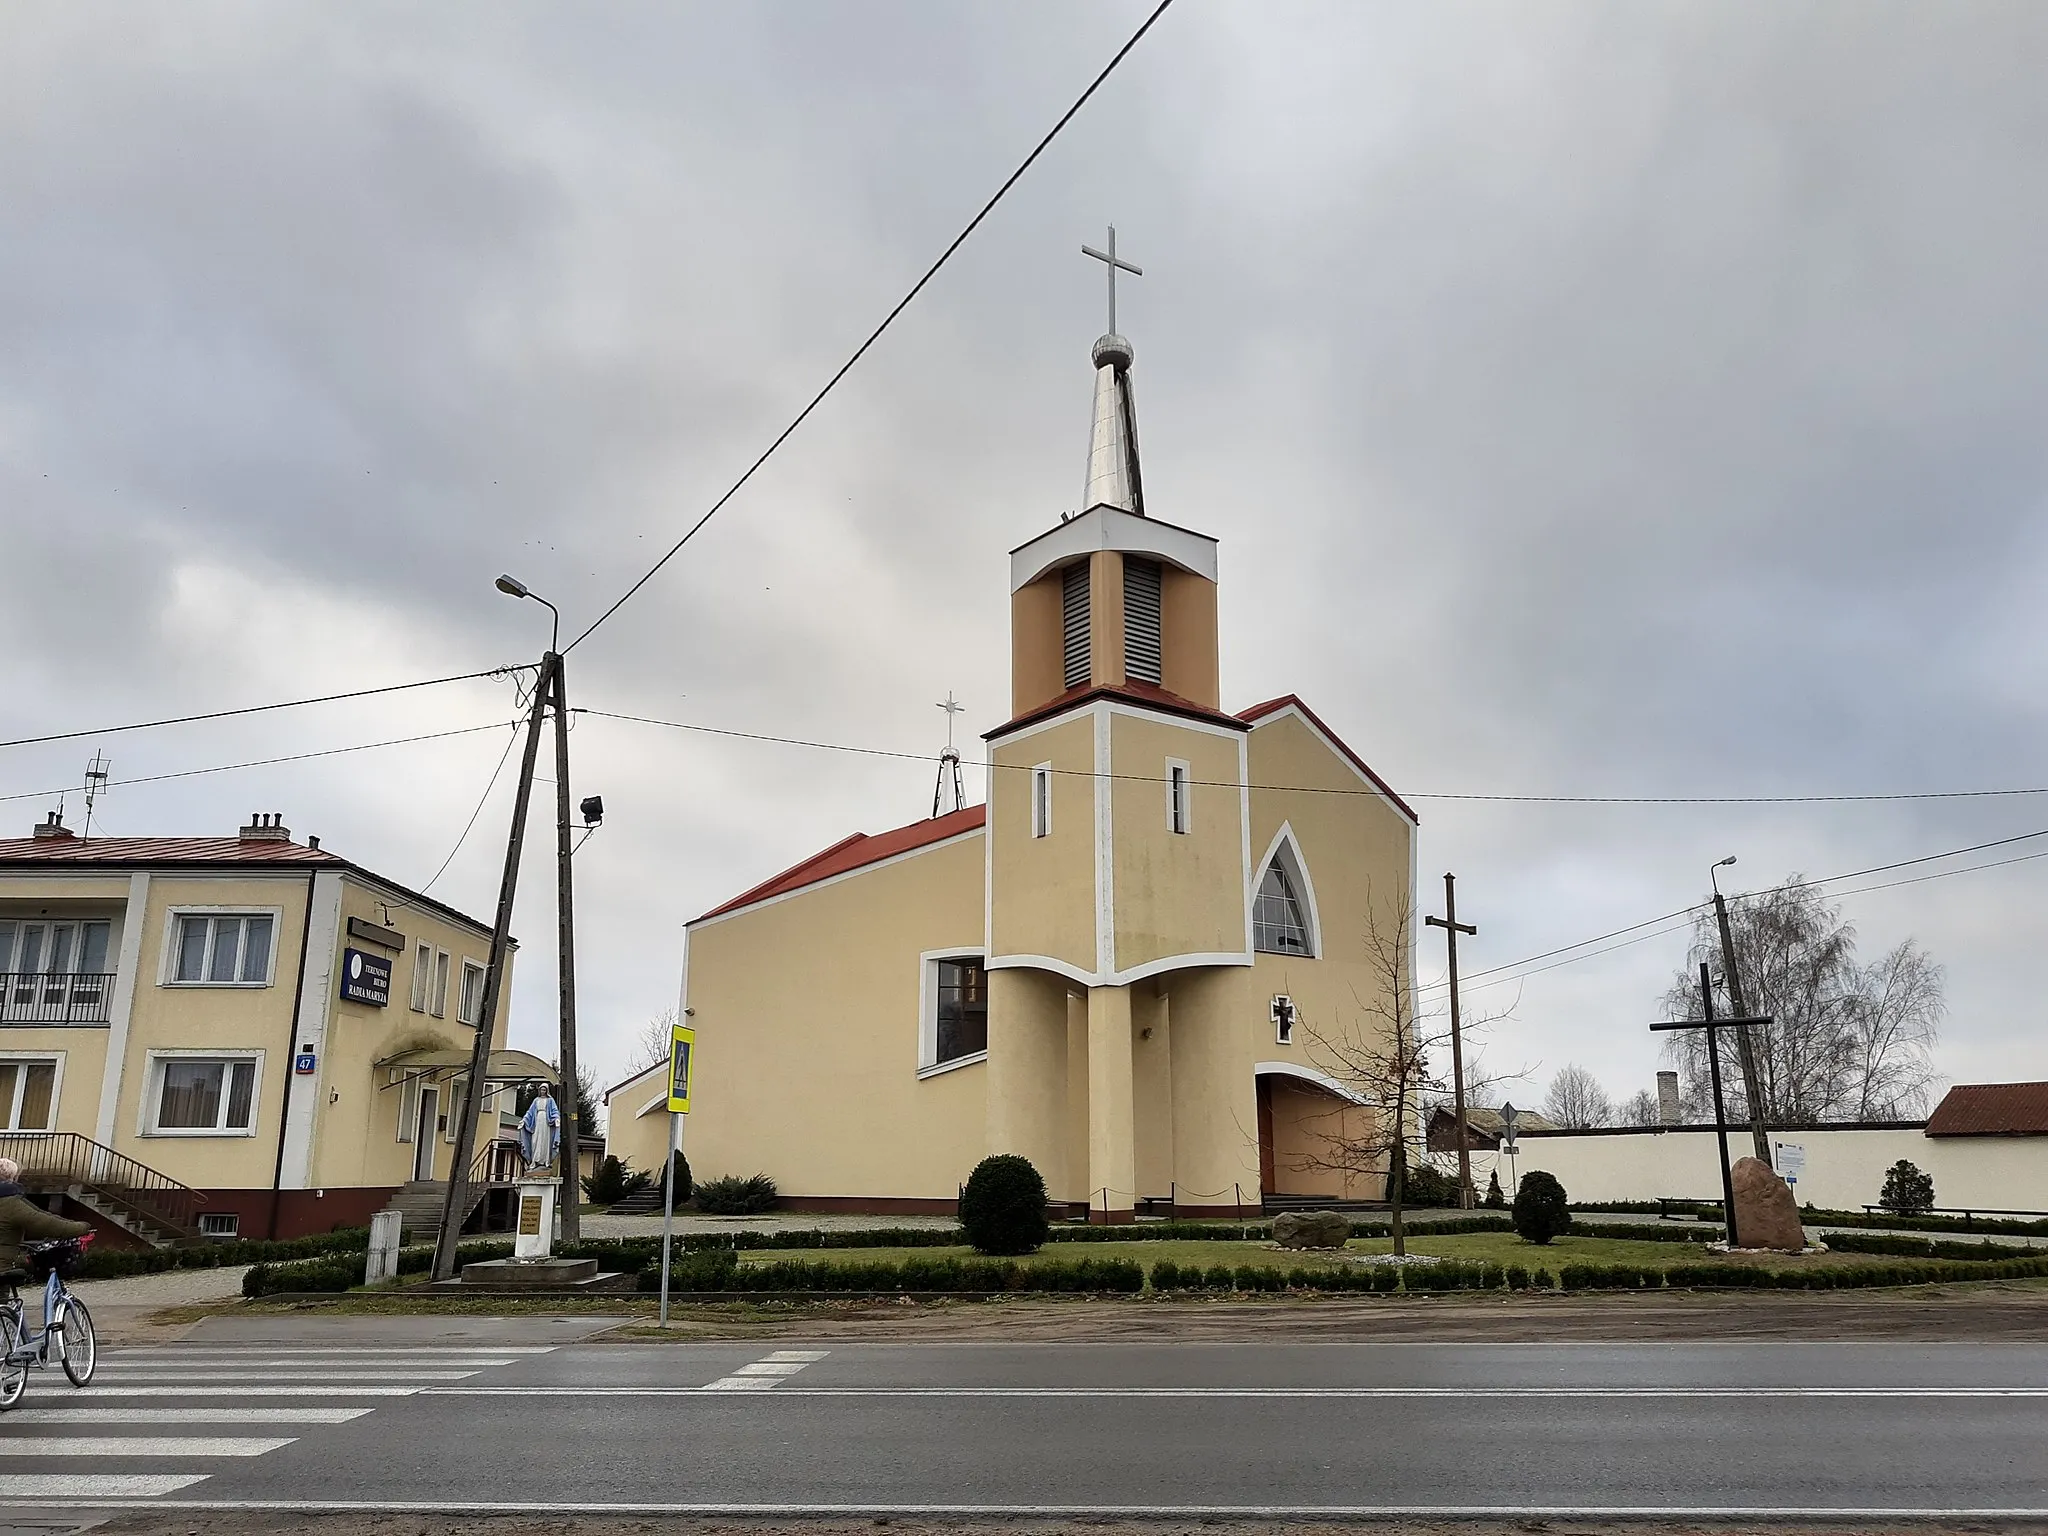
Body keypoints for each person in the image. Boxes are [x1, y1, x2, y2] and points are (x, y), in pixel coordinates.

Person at [0, 1158, 91, 1276]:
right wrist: (82, 1227)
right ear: (13, 1177)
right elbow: (44, 1223)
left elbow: (39, 1214)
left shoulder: (12, 1200)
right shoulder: (10, 1203)